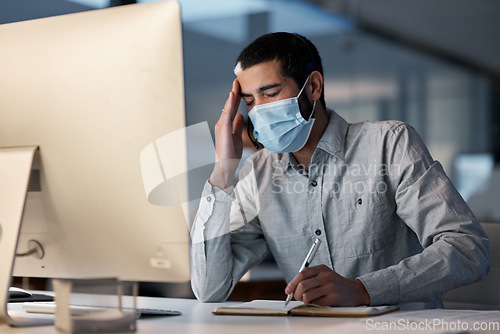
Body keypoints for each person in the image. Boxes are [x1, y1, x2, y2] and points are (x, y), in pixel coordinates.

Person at [190, 32, 490, 309]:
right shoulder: (258, 172)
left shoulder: (388, 142)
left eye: (270, 94)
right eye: (250, 101)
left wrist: (364, 289)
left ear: (313, 86)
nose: (259, 111)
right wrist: (223, 172)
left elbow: (468, 249)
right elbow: (210, 290)